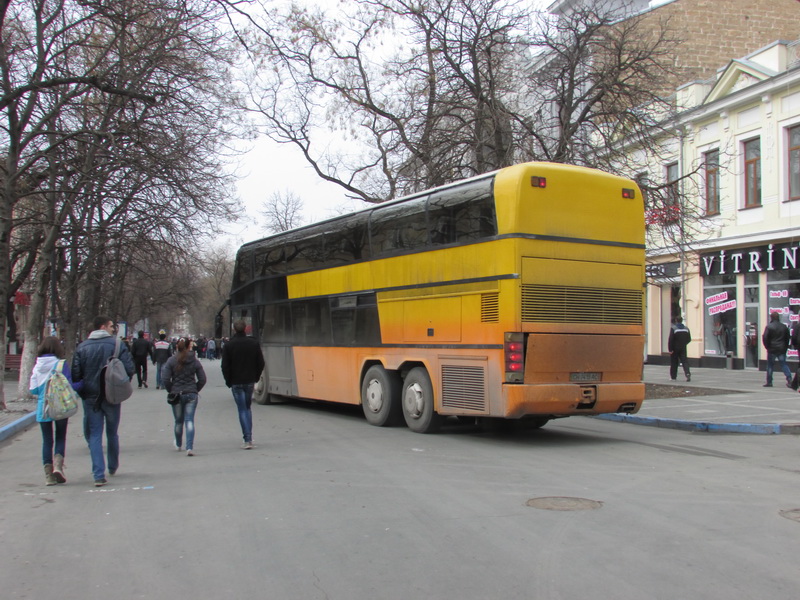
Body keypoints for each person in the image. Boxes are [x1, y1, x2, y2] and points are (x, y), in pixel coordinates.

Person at [72, 316, 135, 486]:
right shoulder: (117, 345)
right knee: (112, 432)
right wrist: (120, 385)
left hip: (91, 398)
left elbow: (76, 375)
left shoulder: (82, 347)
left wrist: (84, 391)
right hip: (112, 396)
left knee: (94, 435)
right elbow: (130, 369)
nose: (113, 329)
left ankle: (98, 474)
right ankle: (113, 466)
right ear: (102, 327)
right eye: (111, 326)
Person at [29, 337, 82, 486]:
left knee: (47, 441)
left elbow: (32, 389)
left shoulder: (37, 366)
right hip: (60, 406)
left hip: (43, 408)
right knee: (60, 436)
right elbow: (70, 385)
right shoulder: (61, 364)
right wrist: (83, 383)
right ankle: (58, 467)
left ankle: (48, 476)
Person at [221, 320, 265, 449]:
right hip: (249, 380)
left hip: (236, 382)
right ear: (245, 329)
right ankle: (249, 438)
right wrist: (255, 377)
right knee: (247, 407)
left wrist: (228, 381)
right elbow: (261, 362)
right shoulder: (253, 343)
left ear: (234, 330)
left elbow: (225, 366)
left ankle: (247, 439)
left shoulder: (229, 345)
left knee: (242, 409)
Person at [161, 338, 206, 456]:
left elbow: (165, 379)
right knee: (189, 420)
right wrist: (195, 389)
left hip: (176, 394)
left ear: (177, 347)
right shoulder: (195, 361)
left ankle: (178, 443)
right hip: (191, 393)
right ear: (188, 347)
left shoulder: (171, 361)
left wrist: (171, 390)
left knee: (178, 421)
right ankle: (189, 447)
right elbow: (202, 379)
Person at [762, 311, 792, 388]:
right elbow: (787, 338)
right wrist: (785, 347)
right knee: (783, 364)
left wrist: (767, 347)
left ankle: (769, 382)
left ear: (771, 317)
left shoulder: (769, 326)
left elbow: (765, 338)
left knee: (770, 366)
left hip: (772, 349)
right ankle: (789, 379)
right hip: (781, 348)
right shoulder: (783, 327)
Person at [668, 316, 691, 382]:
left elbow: (671, 339)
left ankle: (673, 377)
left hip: (675, 348)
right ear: (681, 320)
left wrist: (670, 349)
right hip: (683, 347)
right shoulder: (686, 329)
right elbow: (689, 339)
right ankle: (687, 374)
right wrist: (684, 343)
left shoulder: (674, 328)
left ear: (676, 320)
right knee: (684, 361)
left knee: (674, 362)